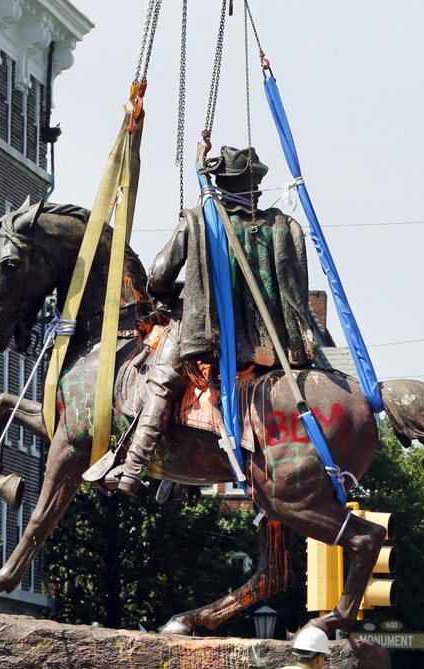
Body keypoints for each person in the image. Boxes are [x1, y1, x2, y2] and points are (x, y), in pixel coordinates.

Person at [88, 144, 318, 494]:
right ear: (254, 184)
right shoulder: (283, 226)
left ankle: (133, 467)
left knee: (161, 380)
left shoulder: (200, 221)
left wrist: (163, 296)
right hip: (276, 346)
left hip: (212, 337)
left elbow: (160, 274)